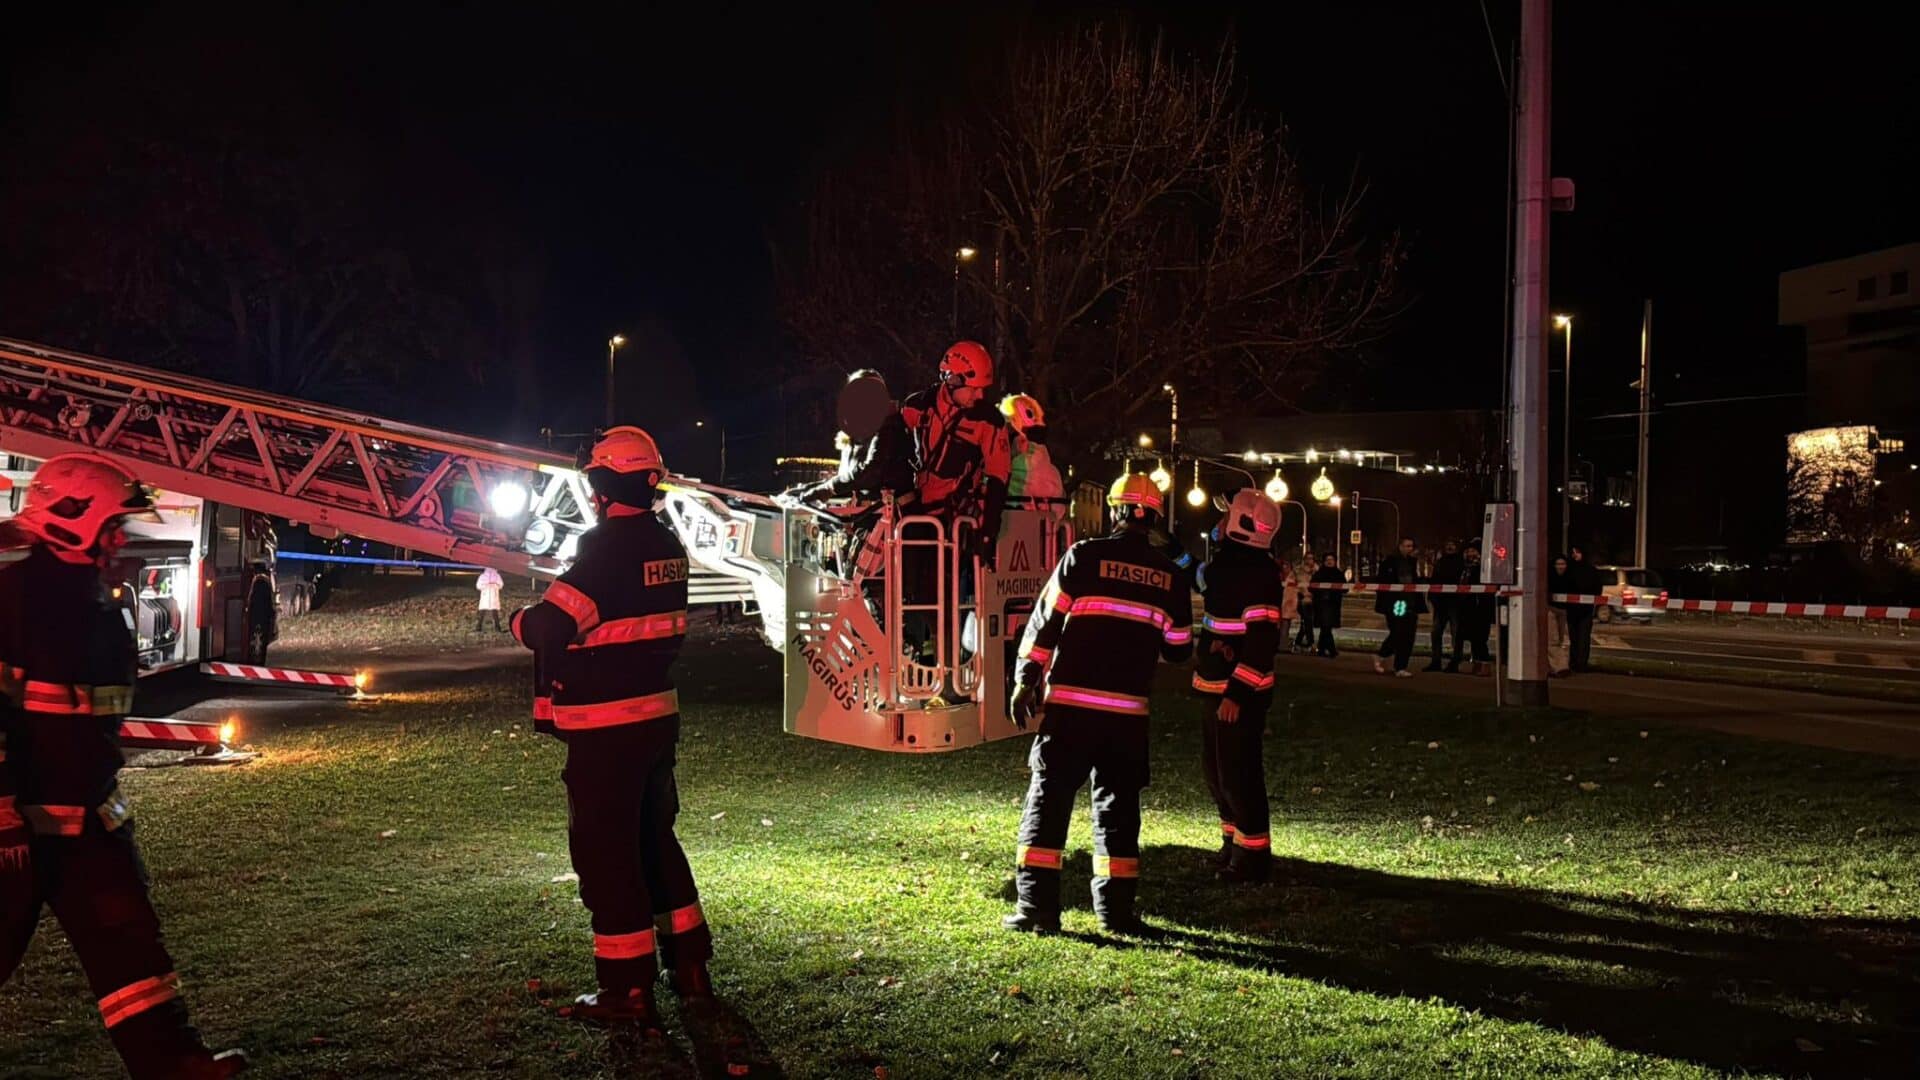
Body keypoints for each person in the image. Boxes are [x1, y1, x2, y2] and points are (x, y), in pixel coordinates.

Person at [1, 454, 247, 1079]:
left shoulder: (96, 605)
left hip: (88, 825)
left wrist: (111, 817)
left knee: (132, 954)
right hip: (17, 833)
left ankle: (174, 1065)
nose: (121, 542)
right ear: (70, 519)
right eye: (114, 527)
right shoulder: (12, 598)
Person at [511, 427, 711, 1029]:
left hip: (606, 729)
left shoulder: (604, 550)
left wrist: (519, 620)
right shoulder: (665, 543)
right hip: (655, 719)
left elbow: (550, 627)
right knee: (656, 840)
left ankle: (626, 989)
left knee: (606, 853)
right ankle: (691, 967)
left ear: (600, 484)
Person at [1003, 474, 1193, 935]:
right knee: (1118, 810)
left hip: (1070, 710)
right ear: (1154, 518)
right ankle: (1117, 912)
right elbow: (1180, 648)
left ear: (1115, 511)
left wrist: (1025, 680)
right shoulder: (1170, 576)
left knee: (1048, 803)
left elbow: (1045, 624)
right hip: (1127, 717)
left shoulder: (1082, 557)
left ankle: (1037, 910)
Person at [1191, 490, 1284, 883]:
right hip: (1215, 689)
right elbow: (1199, 578)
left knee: (1239, 775)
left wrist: (1237, 694)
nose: (1221, 520)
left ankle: (1252, 858)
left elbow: (1263, 642)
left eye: (1228, 515)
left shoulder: (1256, 575)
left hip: (1235, 696)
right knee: (1218, 774)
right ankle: (1232, 844)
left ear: (1241, 525)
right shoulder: (1231, 565)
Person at [898, 342, 1012, 568]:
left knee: (941, 592)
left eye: (983, 388)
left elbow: (999, 478)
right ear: (952, 379)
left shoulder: (989, 421)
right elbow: (894, 453)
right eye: (974, 387)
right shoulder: (917, 406)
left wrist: (989, 531)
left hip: (955, 521)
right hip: (913, 514)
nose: (980, 395)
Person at [798, 370, 917, 582]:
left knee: (865, 586)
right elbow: (853, 475)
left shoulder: (889, 428)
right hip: (874, 522)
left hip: (887, 525)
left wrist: (829, 487)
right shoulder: (870, 430)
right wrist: (816, 487)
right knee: (858, 584)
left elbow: (870, 472)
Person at [999, 393, 1065, 517]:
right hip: (1045, 534)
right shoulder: (1054, 472)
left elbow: (994, 495)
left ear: (1020, 439)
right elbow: (1059, 512)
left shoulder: (1012, 470)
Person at [1371, 537, 1426, 677]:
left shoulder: (1412, 563)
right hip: (1397, 602)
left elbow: (1416, 581)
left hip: (1411, 602)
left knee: (1409, 635)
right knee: (1399, 631)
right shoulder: (1389, 562)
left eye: (1411, 546)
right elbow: (1383, 582)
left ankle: (1400, 667)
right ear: (1400, 546)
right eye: (1407, 546)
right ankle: (1383, 655)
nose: (1409, 549)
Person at [1449, 542, 1494, 675]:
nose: (1470, 554)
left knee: (1479, 638)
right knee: (1465, 636)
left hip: (1480, 608)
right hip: (1465, 608)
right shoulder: (1463, 568)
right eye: (1468, 551)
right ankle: (1473, 664)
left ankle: (1483, 665)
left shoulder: (1483, 568)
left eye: (1473, 551)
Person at [1424, 539, 1466, 672]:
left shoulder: (1461, 563)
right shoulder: (1440, 562)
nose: (1449, 547)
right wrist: (1432, 597)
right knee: (1436, 632)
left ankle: (1455, 661)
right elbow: (1435, 580)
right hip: (1441, 603)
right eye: (1448, 544)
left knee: (1456, 633)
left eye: (1452, 545)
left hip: (1455, 604)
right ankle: (1436, 661)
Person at [1566, 544, 1600, 672]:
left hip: (1585, 610)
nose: (1575, 555)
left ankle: (1582, 664)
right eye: (1573, 552)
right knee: (1574, 638)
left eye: (1577, 552)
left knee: (1584, 637)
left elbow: (1597, 588)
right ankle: (1574, 662)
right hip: (1572, 610)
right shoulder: (1570, 570)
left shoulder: (1591, 570)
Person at [1309, 554, 1345, 657]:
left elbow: (1345, 588)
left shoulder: (1338, 573)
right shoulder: (1319, 573)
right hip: (1321, 603)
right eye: (1327, 560)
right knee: (1325, 626)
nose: (1329, 562)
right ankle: (1331, 650)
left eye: (1332, 559)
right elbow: (1311, 587)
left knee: (1326, 627)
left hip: (1333, 603)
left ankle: (1321, 649)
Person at [1547, 555, 1573, 677]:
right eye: (1558, 564)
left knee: (1565, 640)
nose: (1561, 567)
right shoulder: (1549, 578)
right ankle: (1559, 667)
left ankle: (1563, 665)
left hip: (1564, 612)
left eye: (1563, 564)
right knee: (1553, 639)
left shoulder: (1569, 578)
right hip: (1551, 610)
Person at [1276, 559, 1301, 655]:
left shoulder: (1293, 577)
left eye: (1287, 566)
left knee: (1285, 626)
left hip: (1287, 606)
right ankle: (1280, 645)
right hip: (1280, 606)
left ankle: (1282, 645)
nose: (1285, 568)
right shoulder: (1279, 577)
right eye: (1283, 566)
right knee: (1281, 627)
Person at [475, 566, 506, 632]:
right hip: (487, 596)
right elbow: (478, 586)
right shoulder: (491, 576)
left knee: (492, 613)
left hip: (492, 596)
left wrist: (493, 586)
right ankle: (496, 628)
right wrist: (488, 586)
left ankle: (479, 627)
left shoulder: (488, 576)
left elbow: (501, 585)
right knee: (485, 613)